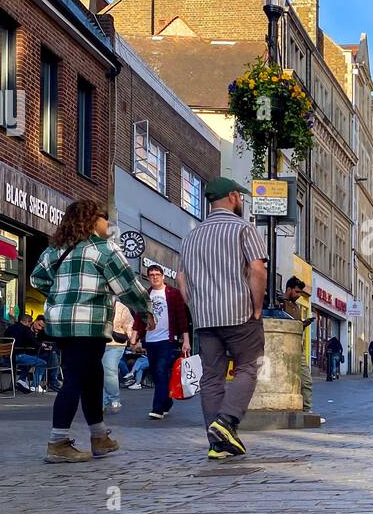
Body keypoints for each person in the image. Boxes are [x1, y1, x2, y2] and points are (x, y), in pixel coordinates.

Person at [31, 200, 151, 463]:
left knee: (92, 373)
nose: (108, 223)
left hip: (60, 323)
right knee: (76, 376)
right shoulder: (105, 250)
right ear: (92, 220)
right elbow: (128, 286)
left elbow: (37, 278)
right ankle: (58, 442)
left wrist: (62, 295)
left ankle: (99, 437)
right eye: (104, 217)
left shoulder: (55, 250)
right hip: (89, 323)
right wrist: (146, 310)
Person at [178, 177, 267, 461]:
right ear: (232, 197)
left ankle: (217, 444)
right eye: (239, 196)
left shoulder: (191, 236)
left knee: (212, 377)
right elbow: (257, 270)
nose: (240, 200)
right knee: (248, 368)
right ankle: (226, 421)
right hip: (239, 312)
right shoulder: (243, 228)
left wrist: (196, 307)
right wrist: (257, 306)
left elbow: (181, 280)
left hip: (205, 318)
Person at [132, 264, 190, 421]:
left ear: (163, 276)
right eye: (151, 275)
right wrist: (134, 338)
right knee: (158, 375)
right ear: (148, 277)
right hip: (150, 340)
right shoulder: (145, 295)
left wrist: (186, 340)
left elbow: (182, 318)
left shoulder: (173, 294)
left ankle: (157, 408)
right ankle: (167, 402)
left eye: (157, 274)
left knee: (161, 370)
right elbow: (139, 317)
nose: (154, 277)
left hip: (167, 340)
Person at [281, 277, 316, 414]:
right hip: (284, 347)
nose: (298, 295)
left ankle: (307, 409)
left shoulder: (296, 306)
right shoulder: (280, 304)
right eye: (296, 292)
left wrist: (303, 323)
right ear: (288, 289)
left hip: (297, 348)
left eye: (300, 293)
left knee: (306, 380)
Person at [103, 300, 133, 413]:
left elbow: (129, 324)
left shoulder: (122, 308)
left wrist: (129, 335)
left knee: (109, 369)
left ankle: (114, 398)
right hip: (99, 343)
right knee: (101, 372)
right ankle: (103, 402)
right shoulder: (97, 305)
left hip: (116, 344)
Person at [6, 313, 48, 392]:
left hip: (6, 358)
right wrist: (41, 345)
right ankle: (35, 385)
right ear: (28, 322)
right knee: (43, 363)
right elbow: (32, 342)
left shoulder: (9, 328)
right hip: (18, 357)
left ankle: (22, 380)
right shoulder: (25, 329)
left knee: (29, 358)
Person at [32, 315, 62, 391]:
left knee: (52, 353)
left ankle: (52, 380)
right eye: (39, 325)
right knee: (50, 356)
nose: (40, 328)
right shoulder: (28, 329)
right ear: (35, 321)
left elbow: (49, 341)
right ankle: (52, 380)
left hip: (41, 352)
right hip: (30, 352)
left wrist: (47, 346)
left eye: (42, 327)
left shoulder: (42, 332)